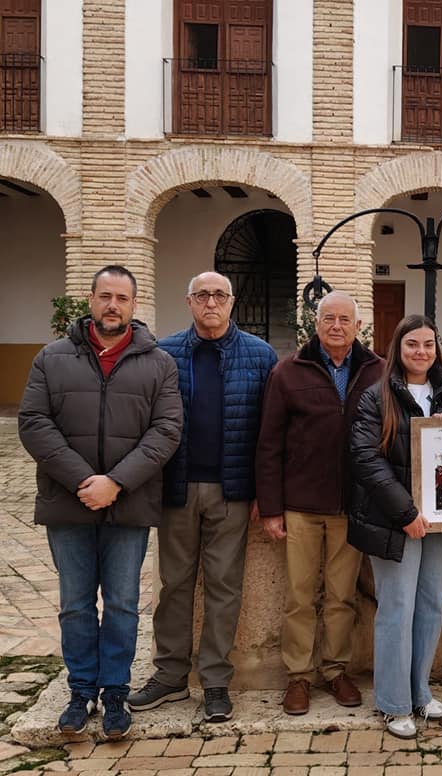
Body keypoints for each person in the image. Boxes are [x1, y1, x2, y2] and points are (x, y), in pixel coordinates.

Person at [18, 265, 182, 739]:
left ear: (135, 305)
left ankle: (114, 693)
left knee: (124, 603)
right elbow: (33, 422)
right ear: (90, 300)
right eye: (105, 296)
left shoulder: (158, 363)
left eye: (122, 298)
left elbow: (166, 430)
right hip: (68, 502)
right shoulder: (52, 358)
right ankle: (79, 691)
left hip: (128, 503)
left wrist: (116, 481)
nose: (114, 305)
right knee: (74, 603)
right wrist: (83, 480)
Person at [128, 272, 277, 723]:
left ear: (232, 302)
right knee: (173, 584)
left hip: (232, 491)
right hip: (177, 489)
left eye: (219, 295)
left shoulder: (260, 354)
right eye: (202, 296)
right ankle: (170, 676)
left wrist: (262, 494)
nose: (211, 303)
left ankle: (214, 681)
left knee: (224, 587)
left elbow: (268, 433)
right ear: (189, 301)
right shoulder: (165, 353)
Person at [256, 291, 383, 714]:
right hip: (302, 505)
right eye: (328, 318)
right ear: (315, 324)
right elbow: (269, 443)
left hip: (353, 506)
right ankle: (298, 676)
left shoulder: (378, 371)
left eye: (345, 319)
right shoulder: (288, 371)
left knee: (342, 596)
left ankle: (336, 670)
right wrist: (271, 507)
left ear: (358, 326)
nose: (336, 326)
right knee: (298, 595)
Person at [348, 314, 442, 739]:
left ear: (437, 349)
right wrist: (406, 514)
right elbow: (366, 459)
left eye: (429, 345)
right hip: (393, 520)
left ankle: (420, 692)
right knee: (396, 608)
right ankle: (393, 703)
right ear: (398, 348)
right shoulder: (374, 396)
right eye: (412, 344)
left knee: (431, 605)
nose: (421, 352)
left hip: (440, 519)